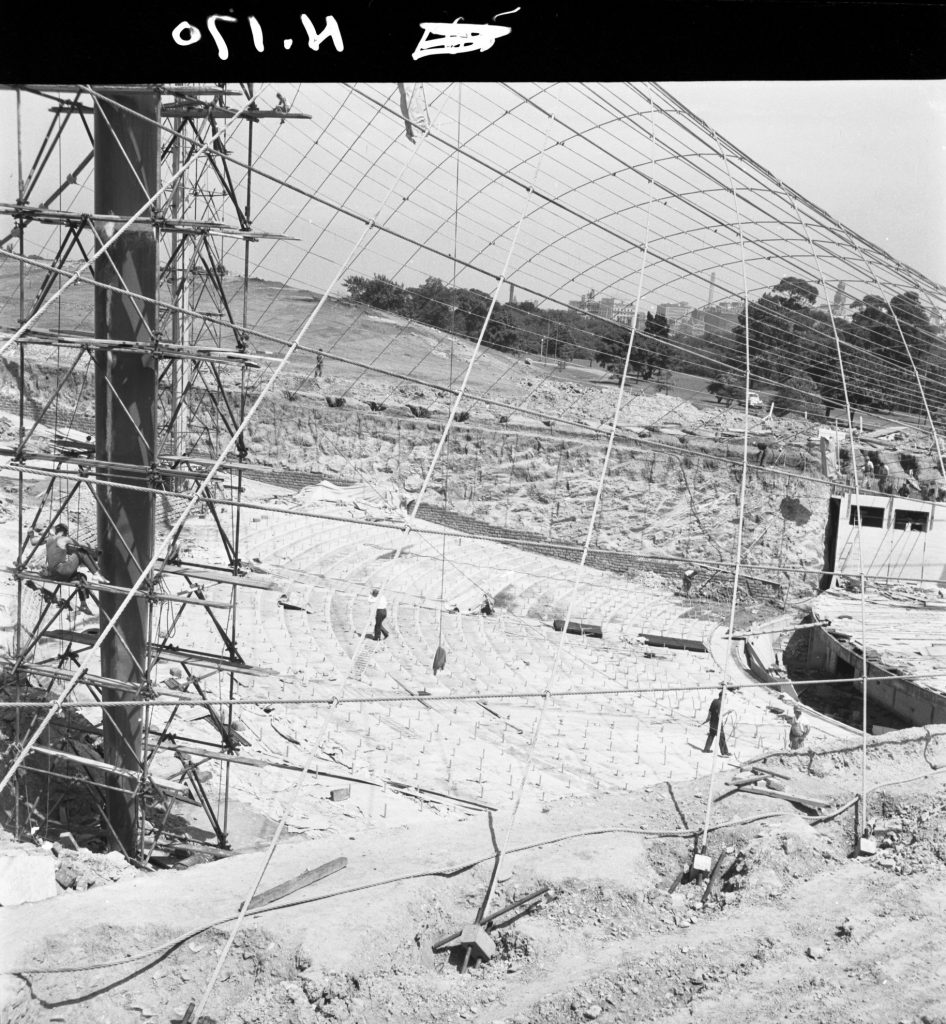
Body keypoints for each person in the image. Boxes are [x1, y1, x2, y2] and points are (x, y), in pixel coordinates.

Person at [45, 523, 106, 615]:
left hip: (53, 575)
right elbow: (81, 546)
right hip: (61, 571)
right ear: (63, 532)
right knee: (81, 552)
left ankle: (83, 604)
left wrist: (31, 535)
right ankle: (96, 573)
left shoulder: (48, 540)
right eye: (66, 533)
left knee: (81, 577)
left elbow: (34, 542)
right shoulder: (63, 539)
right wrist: (93, 550)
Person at [702, 687, 730, 756]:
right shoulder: (720, 703)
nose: (725, 698)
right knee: (721, 737)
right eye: (724, 697)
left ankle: (706, 749)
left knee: (711, 735)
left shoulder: (714, 701)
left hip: (712, 722)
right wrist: (728, 712)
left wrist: (708, 718)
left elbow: (710, 711)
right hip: (718, 724)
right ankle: (725, 752)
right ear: (722, 696)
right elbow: (719, 716)